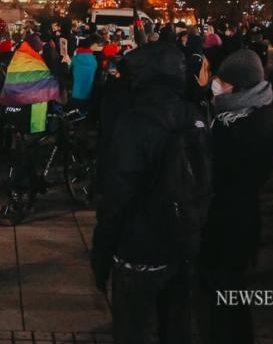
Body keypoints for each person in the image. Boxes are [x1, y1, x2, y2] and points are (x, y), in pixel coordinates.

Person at [91, 42, 208, 344]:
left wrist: (102, 251)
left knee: (133, 328)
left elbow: (118, 192)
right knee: (176, 325)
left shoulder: (135, 121)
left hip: (140, 247)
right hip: (183, 241)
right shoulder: (193, 114)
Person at [199, 50, 273, 344]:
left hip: (229, 218)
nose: (217, 84)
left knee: (225, 290)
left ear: (239, 85)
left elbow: (222, 170)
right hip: (236, 215)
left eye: (223, 79)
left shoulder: (239, 122)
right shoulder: (251, 111)